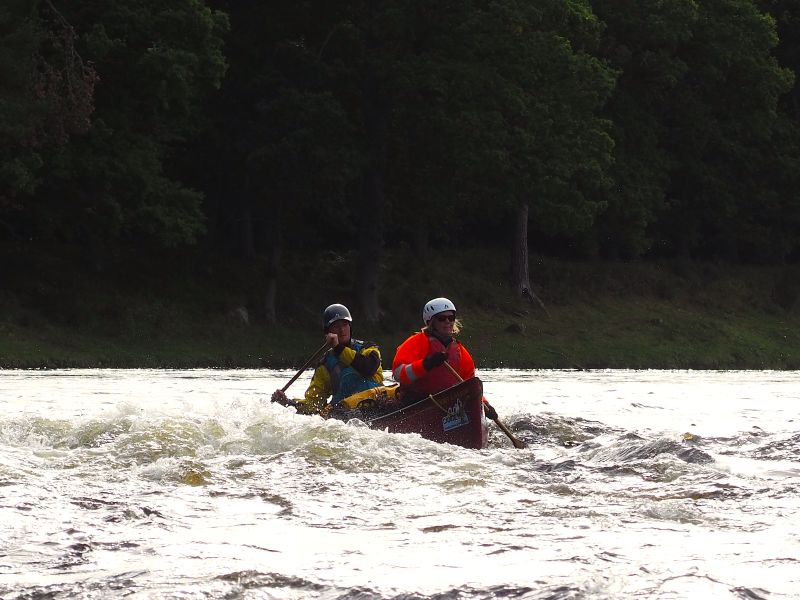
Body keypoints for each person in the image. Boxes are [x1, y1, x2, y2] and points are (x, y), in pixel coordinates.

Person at [392, 297, 498, 419]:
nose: (447, 321)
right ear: (431, 322)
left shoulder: (460, 351)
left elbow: (469, 385)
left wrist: (484, 404)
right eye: (442, 318)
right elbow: (398, 374)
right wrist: (426, 364)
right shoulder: (415, 342)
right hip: (416, 402)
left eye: (451, 318)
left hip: (449, 406)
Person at [271, 303, 384, 414]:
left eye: (345, 324)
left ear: (350, 327)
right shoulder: (325, 365)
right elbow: (313, 404)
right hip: (348, 413)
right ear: (327, 333)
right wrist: (288, 402)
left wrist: (338, 348)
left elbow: (368, 369)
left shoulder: (368, 349)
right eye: (336, 326)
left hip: (378, 404)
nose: (342, 330)